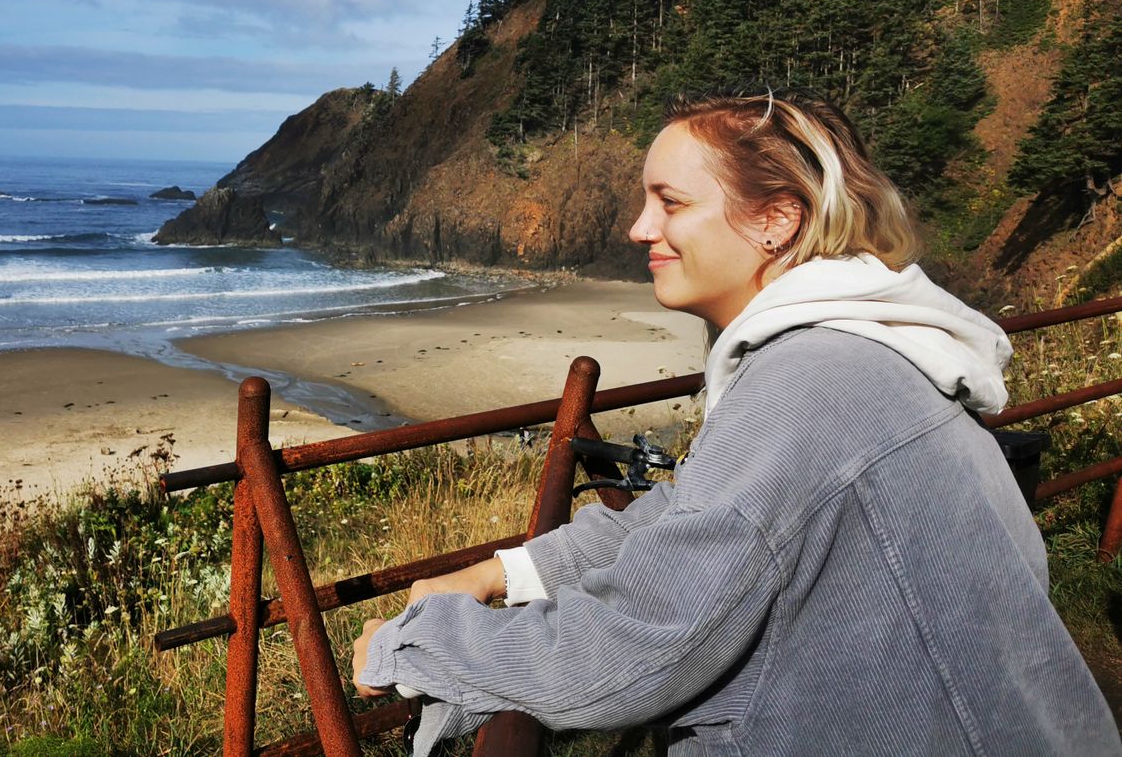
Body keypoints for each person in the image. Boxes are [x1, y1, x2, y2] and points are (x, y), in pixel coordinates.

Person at [351, 92, 1121, 756]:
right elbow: (707, 512)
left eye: (671, 201)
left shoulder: (806, 387)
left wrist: (414, 643)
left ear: (776, 221)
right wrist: (503, 573)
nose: (638, 227)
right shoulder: (864, 350)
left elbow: (638, 645)